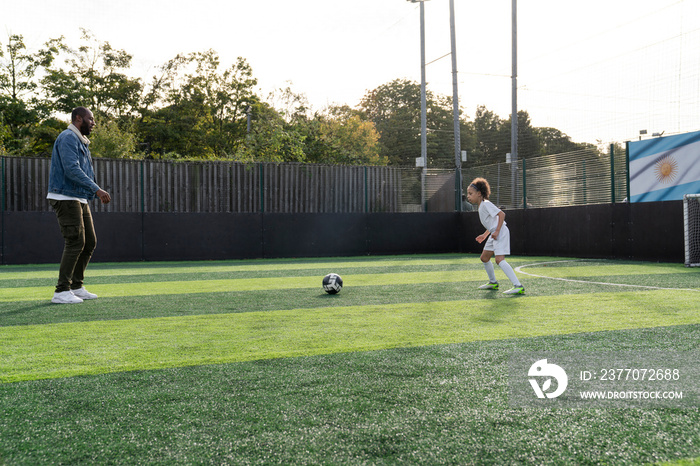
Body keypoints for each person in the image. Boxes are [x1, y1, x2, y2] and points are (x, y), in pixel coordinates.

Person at [47, 107, 111, 304]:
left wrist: (91, 191)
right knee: (75, 242)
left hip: (77, 197)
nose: (93, 123)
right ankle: (61, 291)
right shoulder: (68, 137)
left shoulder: (80, 141)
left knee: (89, 242)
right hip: (65, 197)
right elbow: (71, 169)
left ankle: (76, 286)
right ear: (78, 118)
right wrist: (97, 189)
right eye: (90, 119)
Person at [466, 177, 524, 295]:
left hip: (500, 232)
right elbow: (493, 221)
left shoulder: (486, 204)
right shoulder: (481, 206)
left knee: (499, 260)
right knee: (484, 258)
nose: (468, 196)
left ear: (479, 194)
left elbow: (501, 215)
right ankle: (493, 283)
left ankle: (518, 286)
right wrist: (485, 234)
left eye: (470, 193)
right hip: (494, 233)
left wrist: (497, 231)